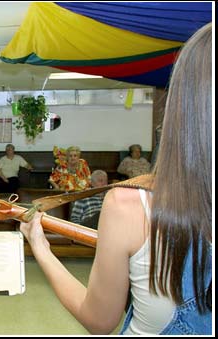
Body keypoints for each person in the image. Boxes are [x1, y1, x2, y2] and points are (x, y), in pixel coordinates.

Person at [20, 23, 212, 335]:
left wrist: (38, 244)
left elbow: (99, 321)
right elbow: (60, 185)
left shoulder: (127, 203)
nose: (71, 158)